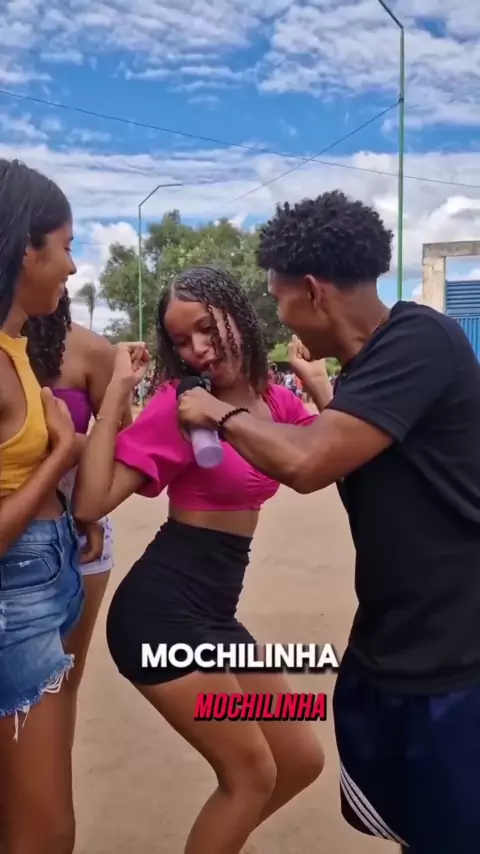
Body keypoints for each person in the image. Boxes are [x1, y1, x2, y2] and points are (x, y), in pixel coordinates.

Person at [175, 191, 480, 854]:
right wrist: (317, 389)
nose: (277, 314)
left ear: (312, 291)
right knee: (420, 830)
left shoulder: (423, 338)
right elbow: (363, 456)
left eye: (278, 298)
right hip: (392, 649)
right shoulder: (373, 367)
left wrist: (216, 414)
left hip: (451, 661)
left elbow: (310, 461)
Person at [73, 265, 332, 854]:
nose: (196, 349)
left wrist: (317, 382)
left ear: (237, 315)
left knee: (299, 760)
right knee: (250, 775)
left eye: (206, 329)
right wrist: (117, 391)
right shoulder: (182, 406)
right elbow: (91, 502)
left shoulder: (274, 401)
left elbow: (334, 457)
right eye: (181, 339)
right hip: (161, 618)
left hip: (215, 615)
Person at [0, 158, 96, 854]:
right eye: (63, 246)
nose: (71, 265)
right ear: (23, 249)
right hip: (16, 602)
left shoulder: (15, 346)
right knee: (45, 832)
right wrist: (60, 458)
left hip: (48, 580)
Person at [24, 289, 132, 709]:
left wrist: (89, 508)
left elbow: (122, 444)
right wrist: (68, 445)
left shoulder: (92, 350)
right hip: (10, 532)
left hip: (82, 537)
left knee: (62, 683)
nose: (69, 267)